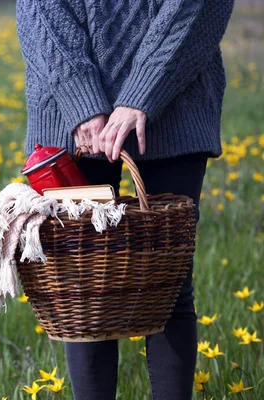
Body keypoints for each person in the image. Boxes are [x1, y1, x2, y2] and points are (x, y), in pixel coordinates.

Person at [15, 1, 235, 399]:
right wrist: (80, 100)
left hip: (177, 100)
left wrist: (141, 94)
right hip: (69, 118)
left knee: (170, 285)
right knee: (82, 287)